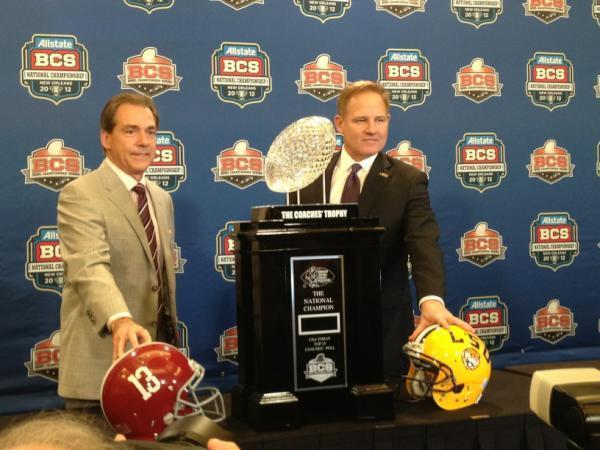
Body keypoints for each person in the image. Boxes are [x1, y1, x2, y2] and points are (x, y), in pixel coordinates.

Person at [292, 81, 472, 380]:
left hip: (381, 324)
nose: (372, 129)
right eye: (361, 120)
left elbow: (424, 242)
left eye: (380, 119)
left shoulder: (407, 180)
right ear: (339, 123)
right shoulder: (310, 176)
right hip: (315, 317)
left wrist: (431, 299)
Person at [57, 93, 177, 407]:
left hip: (153, 376)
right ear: (106, 138)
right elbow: (89, 268)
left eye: (150, 132)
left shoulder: (161, 198)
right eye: (131, 131)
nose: (144, 141)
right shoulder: (81, 194)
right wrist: (120, 319)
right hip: (100, 376)